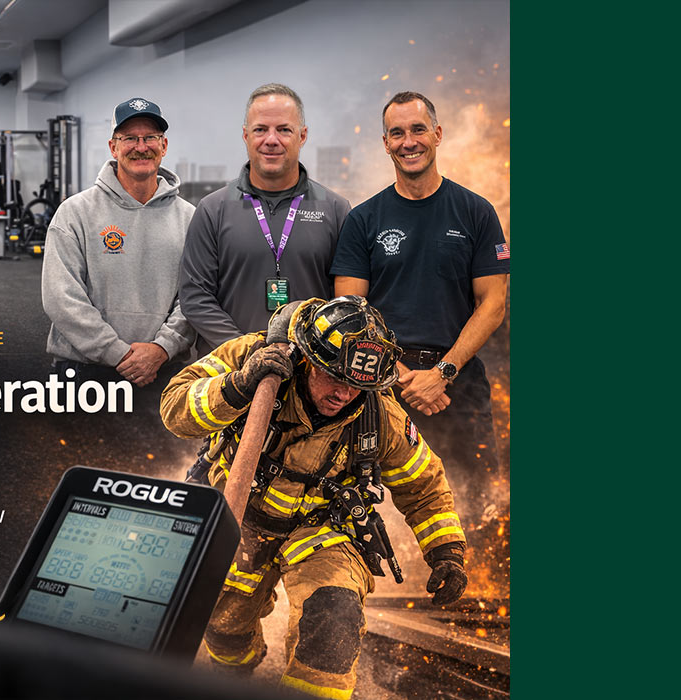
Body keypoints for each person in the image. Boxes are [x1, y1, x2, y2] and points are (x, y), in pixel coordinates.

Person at [159, 297, 468, 700]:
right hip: (238, 520)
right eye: (334, 378)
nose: (344, 394)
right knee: (223, 631)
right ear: (308, 360)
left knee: (332, 617)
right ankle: (237, 674)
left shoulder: (379, 416)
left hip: (320, 531)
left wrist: (447, 552)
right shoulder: (254, 356)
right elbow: (174, 407)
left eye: (358, 385)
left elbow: (424, 487)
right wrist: (238, 386)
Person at [330, 91, 509, 521]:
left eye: (417, 130)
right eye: (397, 133)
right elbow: (349, 312)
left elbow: (494, 303)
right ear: (386, 143)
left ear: (437, 134)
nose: (408, 141)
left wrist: (442, 373)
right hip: (380, 387)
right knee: (381, 514)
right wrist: (402, 377)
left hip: (458, 386)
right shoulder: (363, 219)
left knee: (479, 509)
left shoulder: (476, 213)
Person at [178, 84, 354, 350]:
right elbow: (195, 296)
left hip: (308, 375)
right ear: (246, 135)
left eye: (284, 130)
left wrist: (309, 353)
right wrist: (246, 350)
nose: (271, 140)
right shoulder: (213, 209)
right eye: (260, 129)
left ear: (302, 135)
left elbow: (343, 301)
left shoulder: (335, 209)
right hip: (231, 374)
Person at [42, 97, 195, 386]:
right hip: (85, 373)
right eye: (130, 138)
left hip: (164, 371)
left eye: (150, 137)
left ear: (163, 146)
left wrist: (163, 347)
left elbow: (195, 295)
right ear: (113, 147)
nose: (141, 147)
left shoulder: (190, 218)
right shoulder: (75, 213)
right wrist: (119, 354)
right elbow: (61, 298)